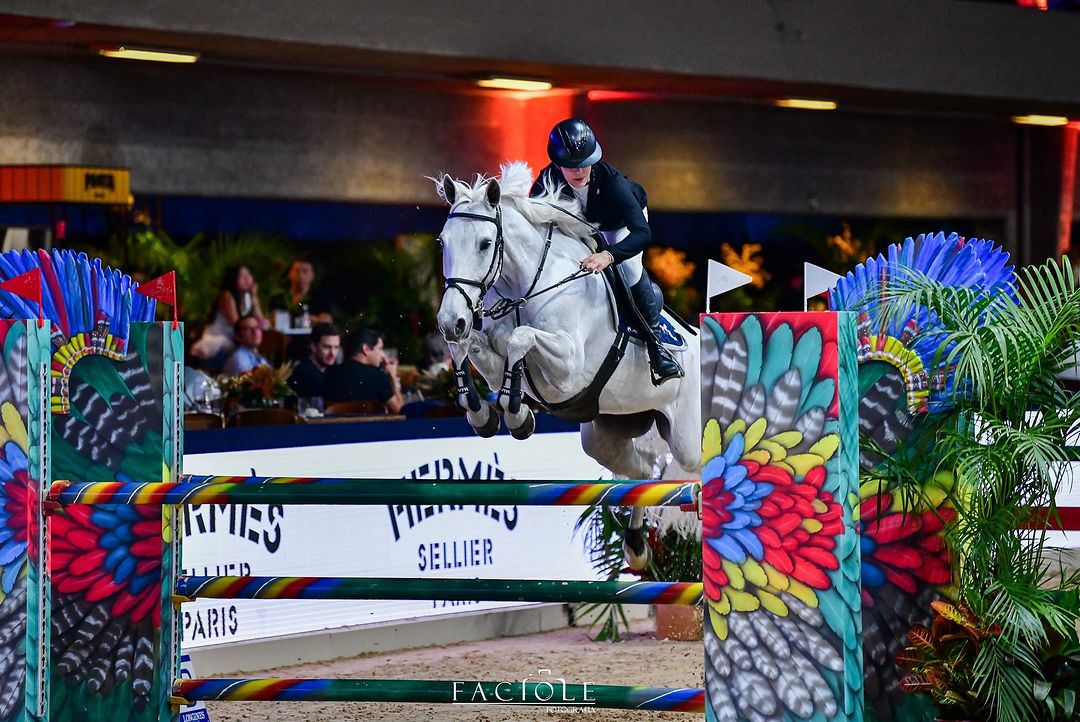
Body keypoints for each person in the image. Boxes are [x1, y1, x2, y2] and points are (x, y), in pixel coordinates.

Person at [530, 118, 683, 384]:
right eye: (571, 166)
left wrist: (609, 255)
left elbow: (642, 233)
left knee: (629, 269)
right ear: (557, 163)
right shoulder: (545, 181)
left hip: (619, 225)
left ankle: (656, 346)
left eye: (585, 163)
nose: (580, 171)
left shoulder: (611, 181)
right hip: (581, 227)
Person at [191, 265, 268, 371]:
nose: (247, 278)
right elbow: (239, 325)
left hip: (234, 343)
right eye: (242, 275)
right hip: (218, 345)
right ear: (233, 278)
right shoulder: (227, 296)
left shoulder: (246, 298)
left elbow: (263, 324)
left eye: (248, 274)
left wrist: (254, 297)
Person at [323, 326, 403, 413]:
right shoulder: (377, 376)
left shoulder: (330, 373)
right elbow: (401, 412)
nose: (382, 355)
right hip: (371, 426)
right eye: (380, 348)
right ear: (366, 349)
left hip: (335, 426)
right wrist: (393, 378)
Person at [274, 258, 333, 327]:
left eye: (305, 271)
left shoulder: (320, 299)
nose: (300, 275)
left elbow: (327, 319)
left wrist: (311, 319)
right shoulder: (278, 298)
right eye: (296, 271)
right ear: (290, 273)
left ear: (312, 275)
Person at [289, 321, 341, 398]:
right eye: (327, 347)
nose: (332, 353)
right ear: (313, 346)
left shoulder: (333, 370)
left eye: (336, 347)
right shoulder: (302, 373)